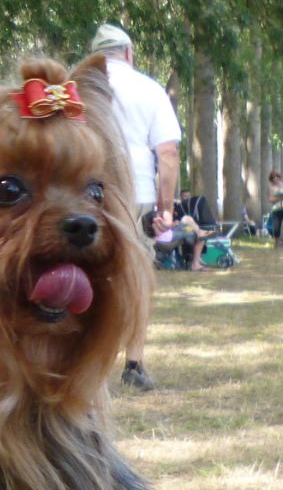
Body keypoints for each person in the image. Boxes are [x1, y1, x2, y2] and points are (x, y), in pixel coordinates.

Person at [91, 23, 182, 392]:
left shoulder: (76, 89)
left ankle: (83, 362)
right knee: (135, 279)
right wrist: (166, 210)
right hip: (136, 193)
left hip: (85, 192)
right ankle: (134, 363)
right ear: (129, 53)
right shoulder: (149, 89)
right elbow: (168, 153)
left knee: (88, 274)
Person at [173, 187, 217, 271]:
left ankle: (196, 259)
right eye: (184, 196)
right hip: (178, 230)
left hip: (186, 229)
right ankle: (195, 263)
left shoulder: (188, 208)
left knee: (198, 233)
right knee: (197, 233)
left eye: (188, 196)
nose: (187, 198)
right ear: (181, 197)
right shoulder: (177, 207)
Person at [268, 169, 283, 253]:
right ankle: (276, 245)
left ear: (280, 177)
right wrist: (280, 197)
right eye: (273, 177)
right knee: (276, 228)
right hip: (276, 210)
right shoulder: (271, 187)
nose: (275, 178)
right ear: (271, 179)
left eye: (277, 176)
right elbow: (270, 198)